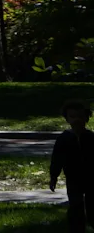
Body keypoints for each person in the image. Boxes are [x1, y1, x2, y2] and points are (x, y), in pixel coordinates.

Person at [52, 99, 94, 232]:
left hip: (91, 178)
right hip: (73, 178)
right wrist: (54, 176)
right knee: (76, 206)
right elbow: (57, 159)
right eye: (72, 117)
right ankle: (77, 228)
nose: (77, 120)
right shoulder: (64, 139)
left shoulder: (91, 137)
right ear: (67, 119)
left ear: (87, 118)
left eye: (81, 117)